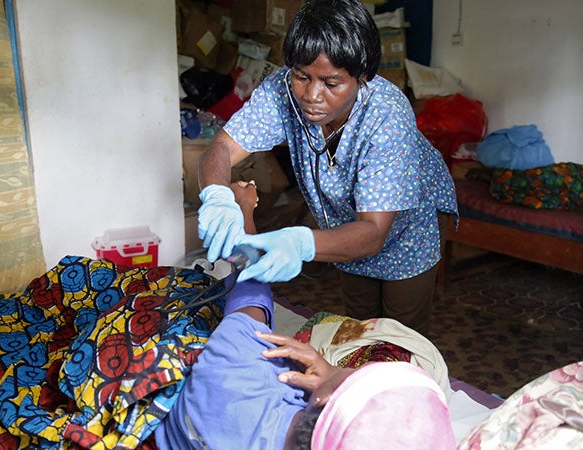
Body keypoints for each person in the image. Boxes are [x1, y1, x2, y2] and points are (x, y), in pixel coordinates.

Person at [196, 0, 458, 336]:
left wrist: (301, 243)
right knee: (360, 325)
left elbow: (374, 232)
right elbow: (220, 147)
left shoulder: (387, 115)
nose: (311, 95)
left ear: (362, 77)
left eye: (331, 83)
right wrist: (217, 194)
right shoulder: (282, 89)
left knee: (400, 332)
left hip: (408, 226)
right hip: (346, 222)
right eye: (301, 76)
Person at [154, 279, 456, 450]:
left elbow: (249, 297)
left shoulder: (239, 373)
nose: (344, 367)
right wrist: (331, 379)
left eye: (355, 372)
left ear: (324, 399)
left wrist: (244, 214)